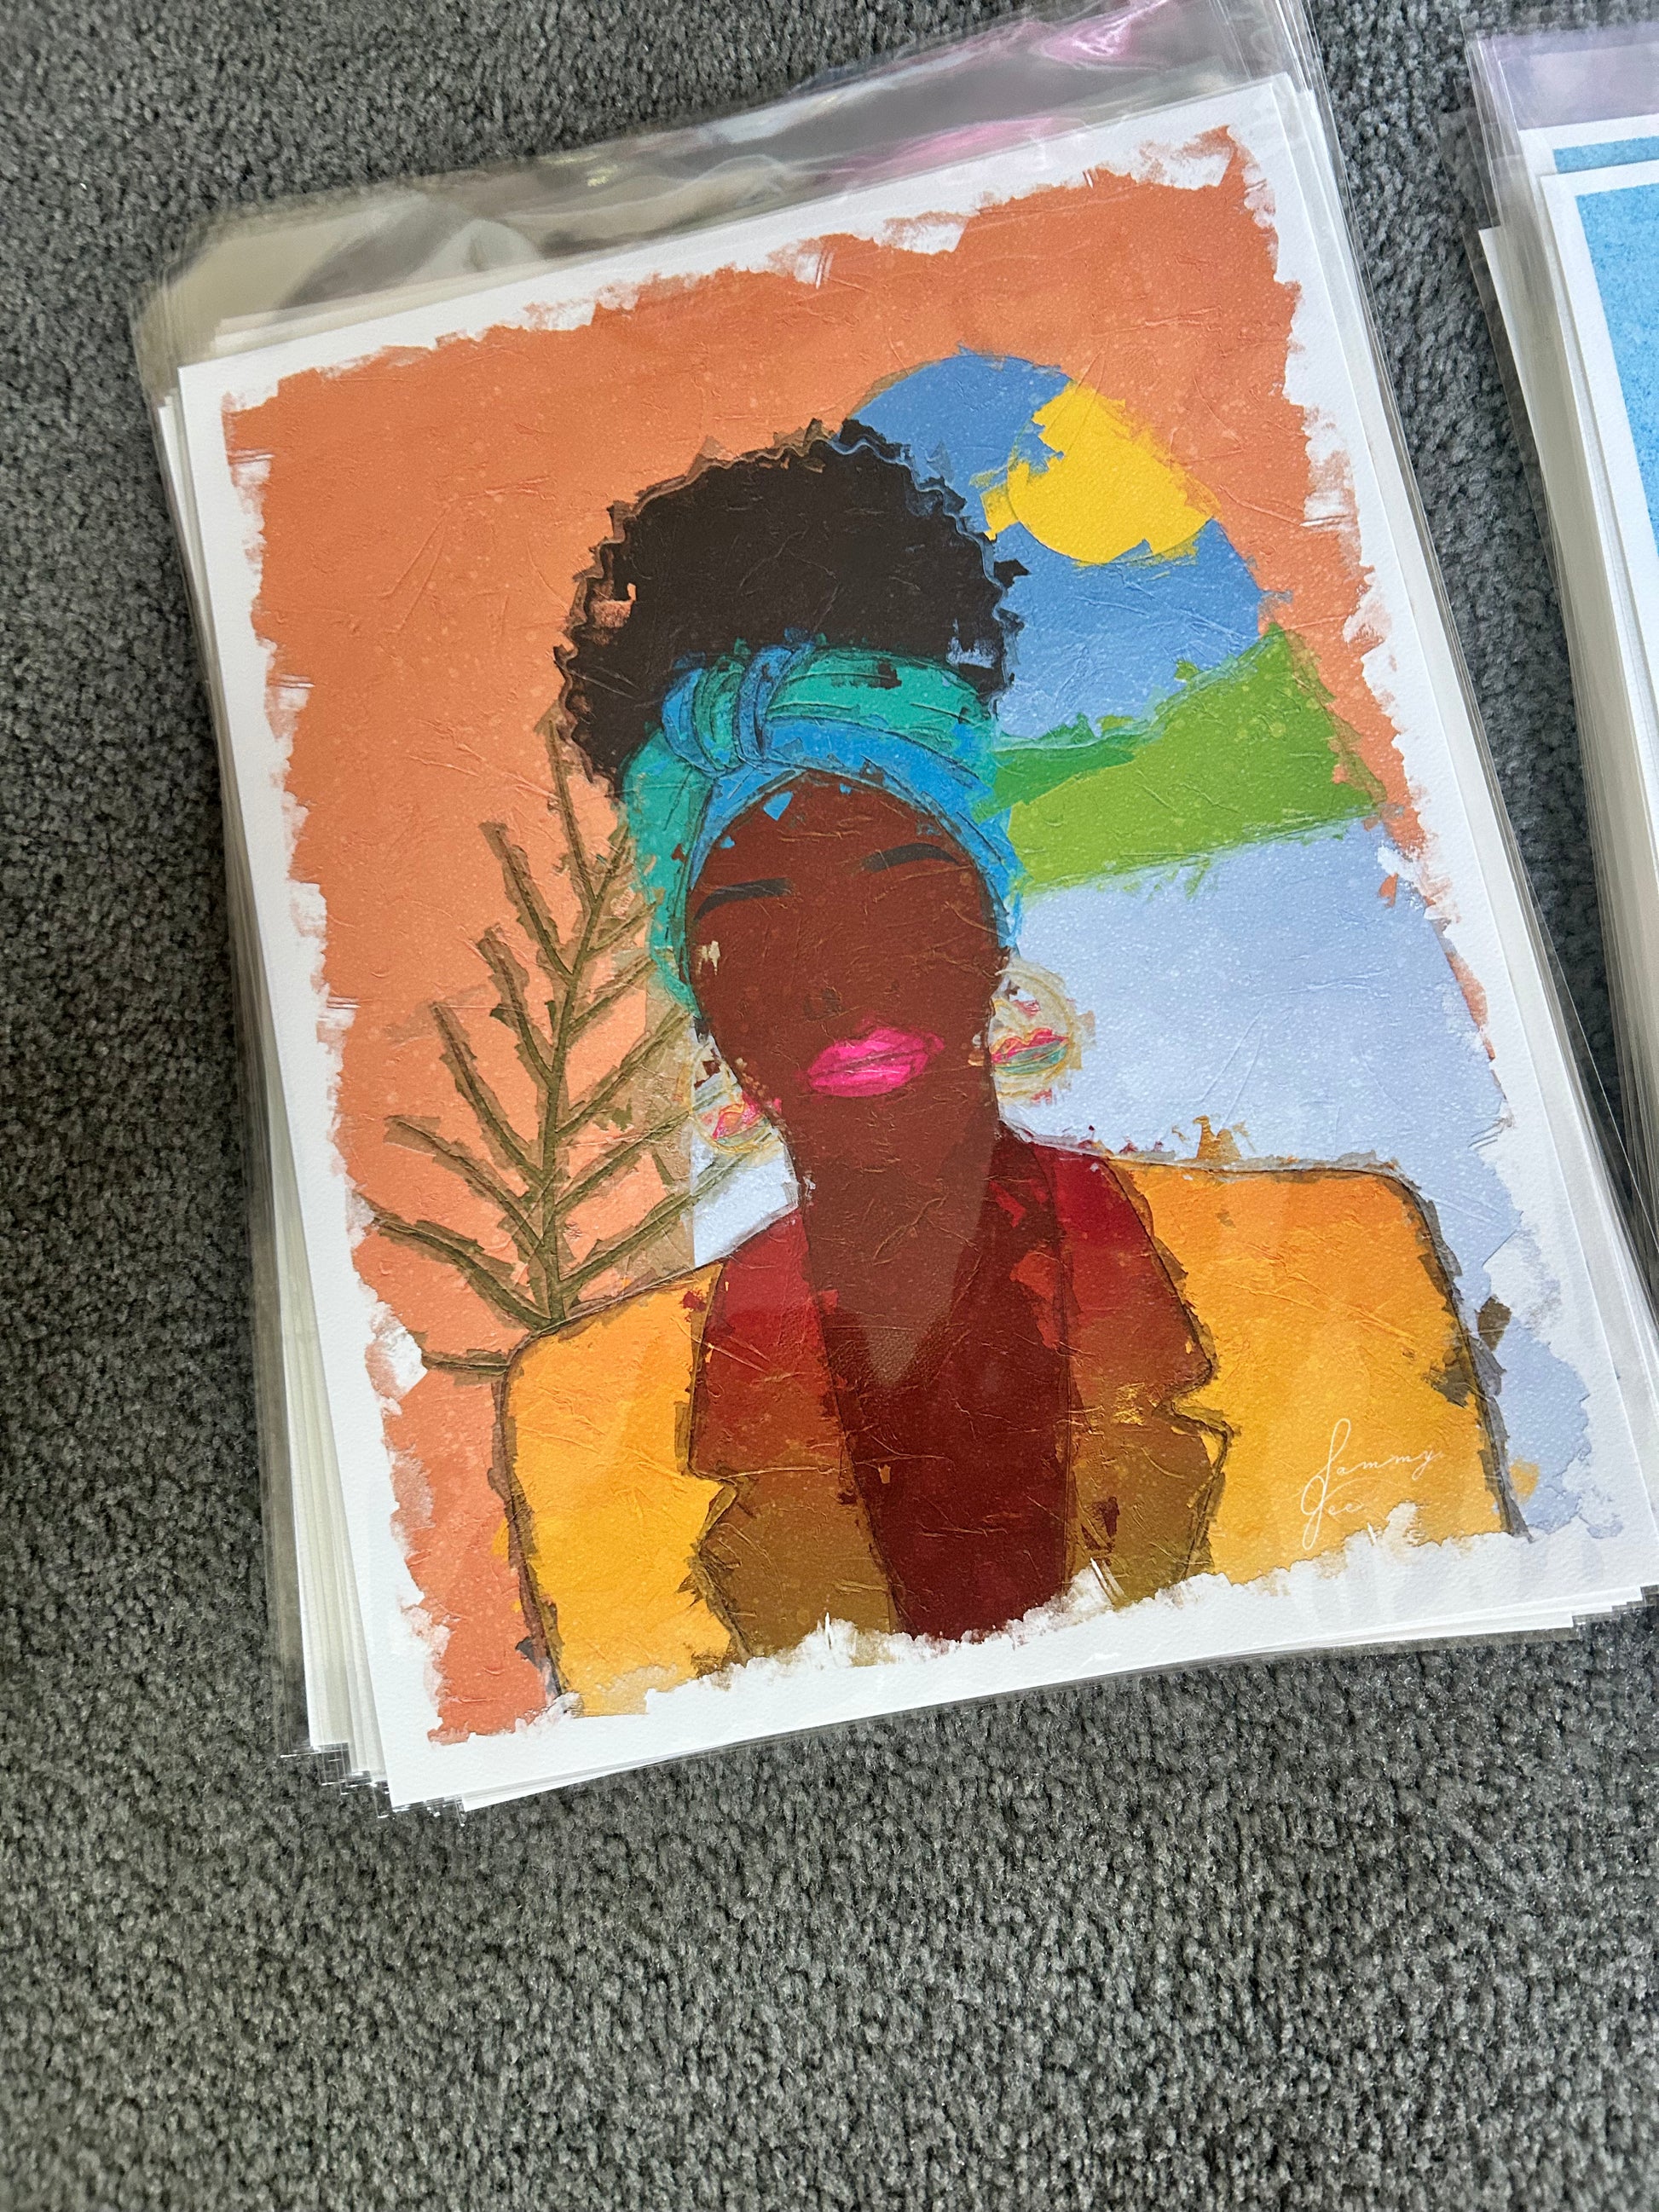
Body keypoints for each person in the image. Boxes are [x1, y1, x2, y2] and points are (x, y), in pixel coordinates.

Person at [499, 425, 1515, 1715]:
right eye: (753, 919)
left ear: (989, 917)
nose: (836, 978)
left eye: (897, 886)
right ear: (694, 983)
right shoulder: (588, 1417)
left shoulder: (1336, 1272)